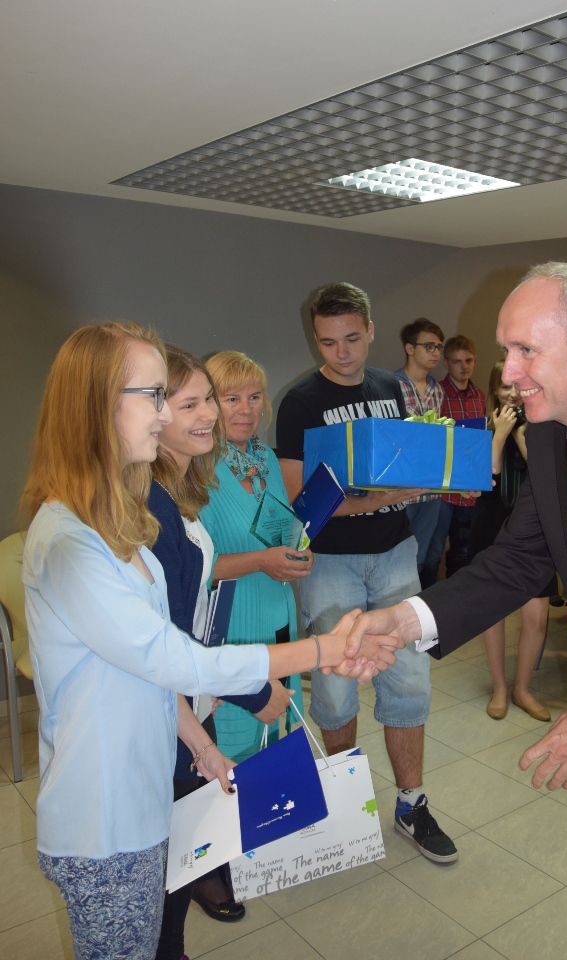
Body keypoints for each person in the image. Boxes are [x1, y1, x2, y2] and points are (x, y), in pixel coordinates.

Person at [342, 261, 567, 959]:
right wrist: (408, 620)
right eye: (505, 350)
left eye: (525, 351)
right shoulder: (551, 433)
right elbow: (520, 559)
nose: (507, 374)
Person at [21, 321, 396, 960]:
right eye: (155, 397)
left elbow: (150, 668)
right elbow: (172, 657)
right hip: (104, 817)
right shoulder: (69, 541)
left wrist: (199, 744)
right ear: (97, 406)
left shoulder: (113, 520)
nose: (167, 414)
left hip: (143, 792)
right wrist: (323, 650)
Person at [277, 282, 459, 864]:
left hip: (395, 553)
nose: (342, 353)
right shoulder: (299, 402)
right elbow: (299, 499)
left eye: (352, 338)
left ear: (372, 331)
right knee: (335, 686)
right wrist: (385, 497)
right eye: (328, 342)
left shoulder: (389, 389)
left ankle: (411, 804)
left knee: (408, 680)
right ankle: (345, 807)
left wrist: (435, 473)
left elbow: (404, 462)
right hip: (330, 562)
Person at [148, 344, 293, 954]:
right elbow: (183, 592)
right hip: (212, 646)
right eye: (212, 399)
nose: (230, 410)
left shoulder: (249, 462)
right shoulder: (175, 484)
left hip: (256, 631)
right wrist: (261, 560)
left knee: (250, 750)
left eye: (248, 396)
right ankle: (205, 873)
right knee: (208, 769)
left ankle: (238, 849)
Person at [199, 350, 306, 765]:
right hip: (232, 630)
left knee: (275, 747)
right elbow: (194, 570)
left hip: (279, 618)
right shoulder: (195, 470)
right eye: (232, 399)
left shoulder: (266, 459)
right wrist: (262, 561)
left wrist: (298, 553)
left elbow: (280, 530)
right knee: (235, 758)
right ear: (210, 404)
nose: (246, 409)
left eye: (255, 397)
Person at [468, 362, 554, 722]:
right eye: (506, 388)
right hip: (493, 529)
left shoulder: (545, 427)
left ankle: (522, 688)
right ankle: (500, 688)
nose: (513, 394)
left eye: (519, 387)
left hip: (536, 533)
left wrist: (521, 436)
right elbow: (483, 484)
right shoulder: (483, 431)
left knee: (536, 618)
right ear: (495, 391)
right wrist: (500, 436)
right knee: (494, 613)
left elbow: (548, 479)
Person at [422, 336, 485, 587]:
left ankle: (459, 599)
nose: (464, 366)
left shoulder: (479, 396)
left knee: (464, 550)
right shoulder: (437, 394)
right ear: (446, 363)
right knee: (433, 551)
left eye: (468, 360)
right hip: (443, 489)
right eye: (457, 361)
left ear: (475, 361)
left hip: (468, 487)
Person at [393, 318, 445, 577]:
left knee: (421, 557)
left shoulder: (438, 390)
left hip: (431, 488)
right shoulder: (391, 386)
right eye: (429, 346)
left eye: (439, 347)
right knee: (397, 556)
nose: (435, 352)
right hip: (401, 489)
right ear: (410, 348)